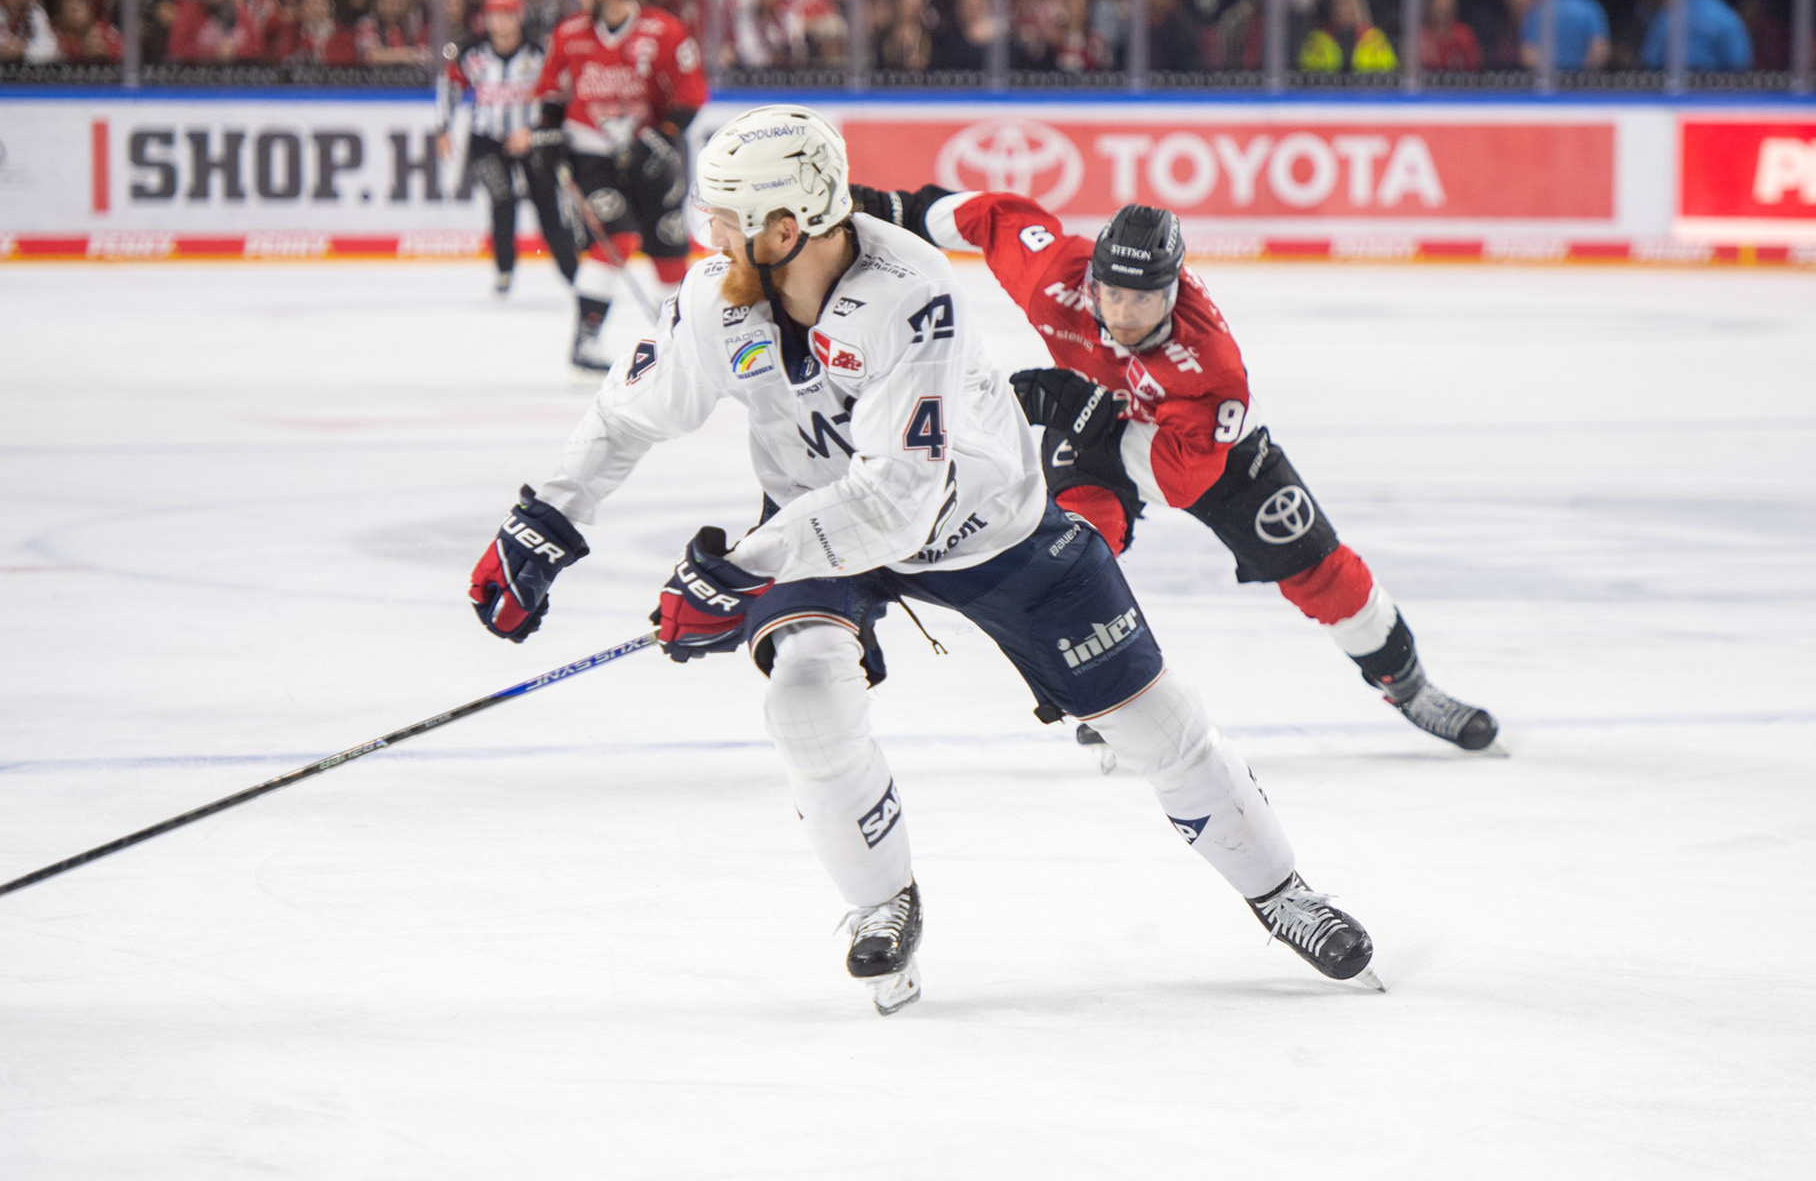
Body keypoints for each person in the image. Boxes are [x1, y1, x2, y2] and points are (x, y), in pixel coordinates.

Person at [466, 105, 1382, 1015]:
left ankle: (1282, 893)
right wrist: (546, 520)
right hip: (817, 519)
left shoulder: (909, 292)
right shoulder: (718, 295)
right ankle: (882, 905)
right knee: (805, 697)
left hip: (986, 527)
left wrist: (743, 567)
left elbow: (900, 500)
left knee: (1159, 725)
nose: (707, 235)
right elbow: (628, 414)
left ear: (785, 229)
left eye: (725, 219)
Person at [846, 181, 1499, 757]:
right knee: (1077, 554)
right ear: (1090, 279)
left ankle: (1408, 685)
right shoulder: (1054, 274)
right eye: (1111, 295)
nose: (1123, 315)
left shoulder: (1211, 365)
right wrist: (883, 209)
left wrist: (1080, 402)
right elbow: (987, 216)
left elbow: (1180, 480)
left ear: (1175, 290)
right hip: (1094, 430)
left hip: (1205, 454)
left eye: (1143, 300)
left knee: (1323, 572)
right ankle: (1110, 692)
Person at [531, 0, 707, 374]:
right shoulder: (569, 33)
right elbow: (551, 90)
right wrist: (549, 134)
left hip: (648, 153)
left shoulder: (663, 31)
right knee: (617, 237)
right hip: (592, 153)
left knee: (669, 247)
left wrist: (663, 138)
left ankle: (681, 340)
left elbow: (690, 92)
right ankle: (585, 340)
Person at [435, 0, 577, 299]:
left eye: (507, 16)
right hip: (487, 140)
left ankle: (573, 273)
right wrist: (443, 128)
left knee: (547, 205)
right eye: (494, 16)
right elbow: (450, 87)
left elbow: (559, 94)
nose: (500, 23)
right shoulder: (472, 54)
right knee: (502, 200)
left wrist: (538, 132)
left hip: (530, 138)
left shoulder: (538, 54)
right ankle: (504, 270)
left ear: (519, 17)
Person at [1641, 0, 1752, 73]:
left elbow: (1649, 59)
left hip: (1671, 86)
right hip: (1714, 87)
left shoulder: (1667, 13)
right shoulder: (1728, 17)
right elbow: (1739, 63)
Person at [1520, 0, 1609, 72]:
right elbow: (1599, 51)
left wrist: (1548, 78)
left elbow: (1529, 56)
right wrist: (1583, 78)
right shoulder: (1591, 8)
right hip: (1580, 83)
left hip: (1546, 84)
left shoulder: (1537, 10)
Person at [1298, 0, 1396, 74]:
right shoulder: (1318, 40)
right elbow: (1307, 73)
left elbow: (1389, 72)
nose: (1346, 16)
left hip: (1367, 93)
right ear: (1333, 13)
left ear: (1359, 13)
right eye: (1342, 11)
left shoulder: (1375, 38)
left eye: (1351, 11)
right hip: (1327, 93)